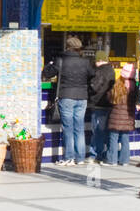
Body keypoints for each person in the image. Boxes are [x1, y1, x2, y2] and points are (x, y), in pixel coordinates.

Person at [42, 36, 93, 165]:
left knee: (68, 128)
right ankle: (80, 158)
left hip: (67, 96)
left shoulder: (61, 60)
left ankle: (69, 157)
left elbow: (47, 73)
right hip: (82, 97)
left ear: (68, 46)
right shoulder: (86, 62)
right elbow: (93, 76)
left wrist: (50, 63)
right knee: (79, 128)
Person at [107, 62, 139, 165]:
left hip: (115, 117)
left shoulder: (117, 85)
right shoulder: (135, 88)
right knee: (125, 139)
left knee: (113, 139)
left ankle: (112, 160)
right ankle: (125, 160)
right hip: (128, 118)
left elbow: (110, 99)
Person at [87, 50, 115, 164]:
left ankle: (95, 155)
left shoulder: (100, 71)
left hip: (99, 104)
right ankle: (107, 154)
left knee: (98, 131)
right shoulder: (111, 70)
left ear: (99, 60)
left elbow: (94, 87)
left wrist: (88, 87)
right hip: (109, 104)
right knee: (107, 131)